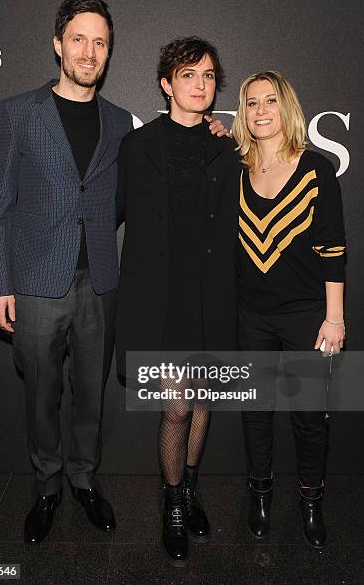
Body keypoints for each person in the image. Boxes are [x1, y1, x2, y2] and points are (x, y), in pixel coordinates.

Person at [0, 0, 227, 545]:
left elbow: (154, 182)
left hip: (102, 280)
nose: (90, 51)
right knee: (42, 395)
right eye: (79, 39)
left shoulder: (122, 124)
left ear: (108, 51)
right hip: (38, 283)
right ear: (57, 45)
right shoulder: (20, 112)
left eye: (100, 42)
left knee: (90, 394)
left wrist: (214, 130)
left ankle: (83, 481)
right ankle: (46, 488)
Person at [115, 37, 240, 566]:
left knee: (205, 400)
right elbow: (111, 214)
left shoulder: (227, 145)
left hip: (212, 291)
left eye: (209, 76)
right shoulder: (137, 145)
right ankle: (172, 504)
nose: (200, 85)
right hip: (158, 296)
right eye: (189, 75)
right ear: (167, 84)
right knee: (177, 405)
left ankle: (190, 490)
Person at [233, 70, 346, 548]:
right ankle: (260, 497)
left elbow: (334, 250)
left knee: (308, 414)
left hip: (306, 315)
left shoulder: (317, 169)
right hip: (249, 314)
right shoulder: (234, 168)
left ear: (288, 108)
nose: (261, 111)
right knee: (256, 411)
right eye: (252, 103)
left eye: (271, 101)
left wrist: (334, 318)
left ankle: (311, 502)